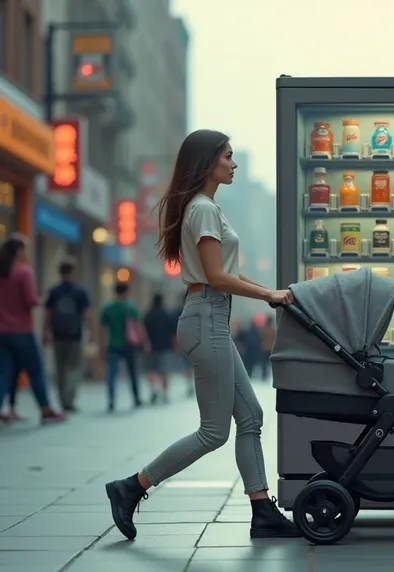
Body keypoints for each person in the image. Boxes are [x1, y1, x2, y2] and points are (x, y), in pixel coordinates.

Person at [104, 129, 299, 541]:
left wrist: (267, 292)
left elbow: (225, 271)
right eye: (228, 156)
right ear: (208, 161)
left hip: (211, 316)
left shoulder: (207, 207)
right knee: (214, 431)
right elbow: (214, 276)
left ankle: (262, 510)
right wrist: (267, 294)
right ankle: (130, 488)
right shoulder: (204, 209)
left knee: (251, 416)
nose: (234, 163)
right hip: (206, 316)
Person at [0, 234, 65, 423]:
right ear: (18, 250)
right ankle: (45, 409)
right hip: (21, 332)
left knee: (3, 373)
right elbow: (30, 300)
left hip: (1, 333)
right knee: (35, 370)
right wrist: (43, 299)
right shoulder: (24, 272)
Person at [43, 257, 93, 412]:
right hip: (75, 335)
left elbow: (48, 314)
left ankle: (62, 399)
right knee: (74, 367)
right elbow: (87, 314)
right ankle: (69, 399)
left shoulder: (53, 291)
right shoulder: (80, 291)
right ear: (72, 272)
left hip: (58, 334)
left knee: (60, 367)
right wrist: (91, 332)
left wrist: (45, 332)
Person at [100, 282, 147, 412]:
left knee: (112, 374)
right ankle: (136, 398)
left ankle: (111, 400)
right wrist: (143, 342)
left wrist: (102, 346)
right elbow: (138, 326)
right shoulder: (131, 307)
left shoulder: (108, 308)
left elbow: (103, 329)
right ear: (127, 292)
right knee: (133, 372)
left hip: (113, 344)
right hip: (129, 345)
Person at [142, 293, 176, 404]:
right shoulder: (167, 315)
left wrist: (145, 343)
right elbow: (173, 334)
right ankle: (164, 393)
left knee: (151, 370)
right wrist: (175, 347)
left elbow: (143, 331)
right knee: (164, 371)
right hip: (166, 347)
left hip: (151, 347)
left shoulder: (148, 315)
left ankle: (153, 391)